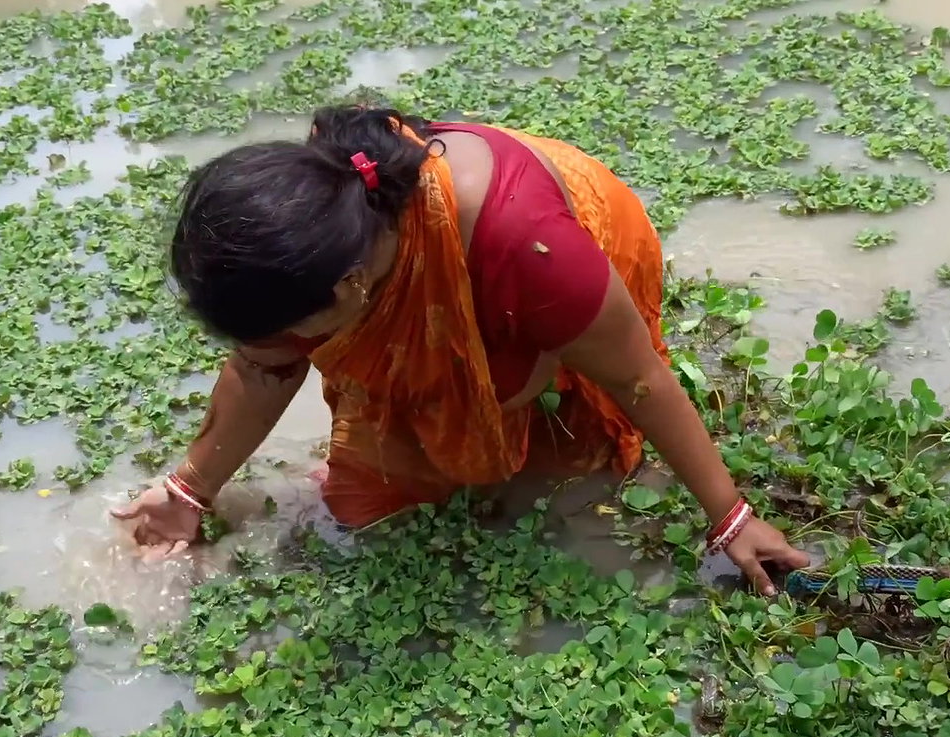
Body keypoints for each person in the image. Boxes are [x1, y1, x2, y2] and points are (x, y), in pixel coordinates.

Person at [109, 104, 810, 593]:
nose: (277, 351)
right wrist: (188, 490)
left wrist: (731, 517)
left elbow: (640, 380)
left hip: (575, 249)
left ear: (353, 290)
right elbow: (262, 369)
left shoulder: (527, 249)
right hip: (450, 268)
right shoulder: (315, 238)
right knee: (375, 494)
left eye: (287, 332)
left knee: (566, 458)